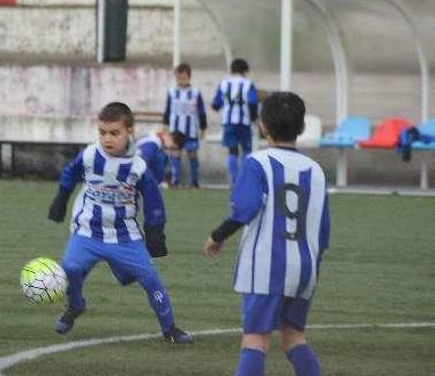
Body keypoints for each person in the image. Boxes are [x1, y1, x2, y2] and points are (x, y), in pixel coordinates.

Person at [204, 91, 330, 376]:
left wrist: (217, 235)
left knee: (255, 339)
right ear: (301, 127)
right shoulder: (317, 171)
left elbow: (245, 208)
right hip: (305, 268)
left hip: (266, 267)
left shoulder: (256, 162)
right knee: (293, 337)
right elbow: (322, 232)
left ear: (262, 126)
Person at [47, 102, 193, 344]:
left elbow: (154, 201)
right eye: (102, 132)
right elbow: (70, 174)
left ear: (129, 132)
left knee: (150, 279)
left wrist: (155, 233)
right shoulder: (90, 155)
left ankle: (170, 329)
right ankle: (75, 306)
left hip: (125, 235)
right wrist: (60, 200)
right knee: (70, 269)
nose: (107, 139)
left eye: (114, 133)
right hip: (87, 232)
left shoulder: (138, 165)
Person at [211, 58, 258, 186]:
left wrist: (220, 105)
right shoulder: (248, 84)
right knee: (247, 150)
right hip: (244, 122)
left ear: (231, 70)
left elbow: (216, 104)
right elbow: (253, 102)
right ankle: (245, 179)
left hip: (228, 122)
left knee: (232, 151)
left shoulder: (224, 84)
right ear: (245, 71)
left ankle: (234, 180)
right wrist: (254, 117)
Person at [162, 63, 207, 187]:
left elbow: (201, 111)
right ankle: (175, 180)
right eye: (179, 78)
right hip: (175, 129)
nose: (181, 81)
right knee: (175, 153)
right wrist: (165, 126)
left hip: (191, 129)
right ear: (176, 77)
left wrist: (203, 127)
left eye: (184, 78)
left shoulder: (195, 92)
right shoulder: (172, 92)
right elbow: (167, 110)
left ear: (189, 77)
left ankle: (194, 181)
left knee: (192, 153)